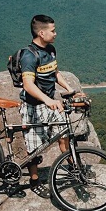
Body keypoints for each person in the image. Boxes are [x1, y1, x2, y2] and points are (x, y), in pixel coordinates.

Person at [19, 14, 76, 198]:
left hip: (51, 103)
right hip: (33, 107)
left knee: (64, 135)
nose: (55, 33)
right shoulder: (29, 55)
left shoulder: (51, 50)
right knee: (35, 146)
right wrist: (48, 100)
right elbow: (28, 85)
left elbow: (55, 73)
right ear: (41, 33)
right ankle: (34, 180)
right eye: (52, 30)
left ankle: (73, 168)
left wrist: (69, 88)